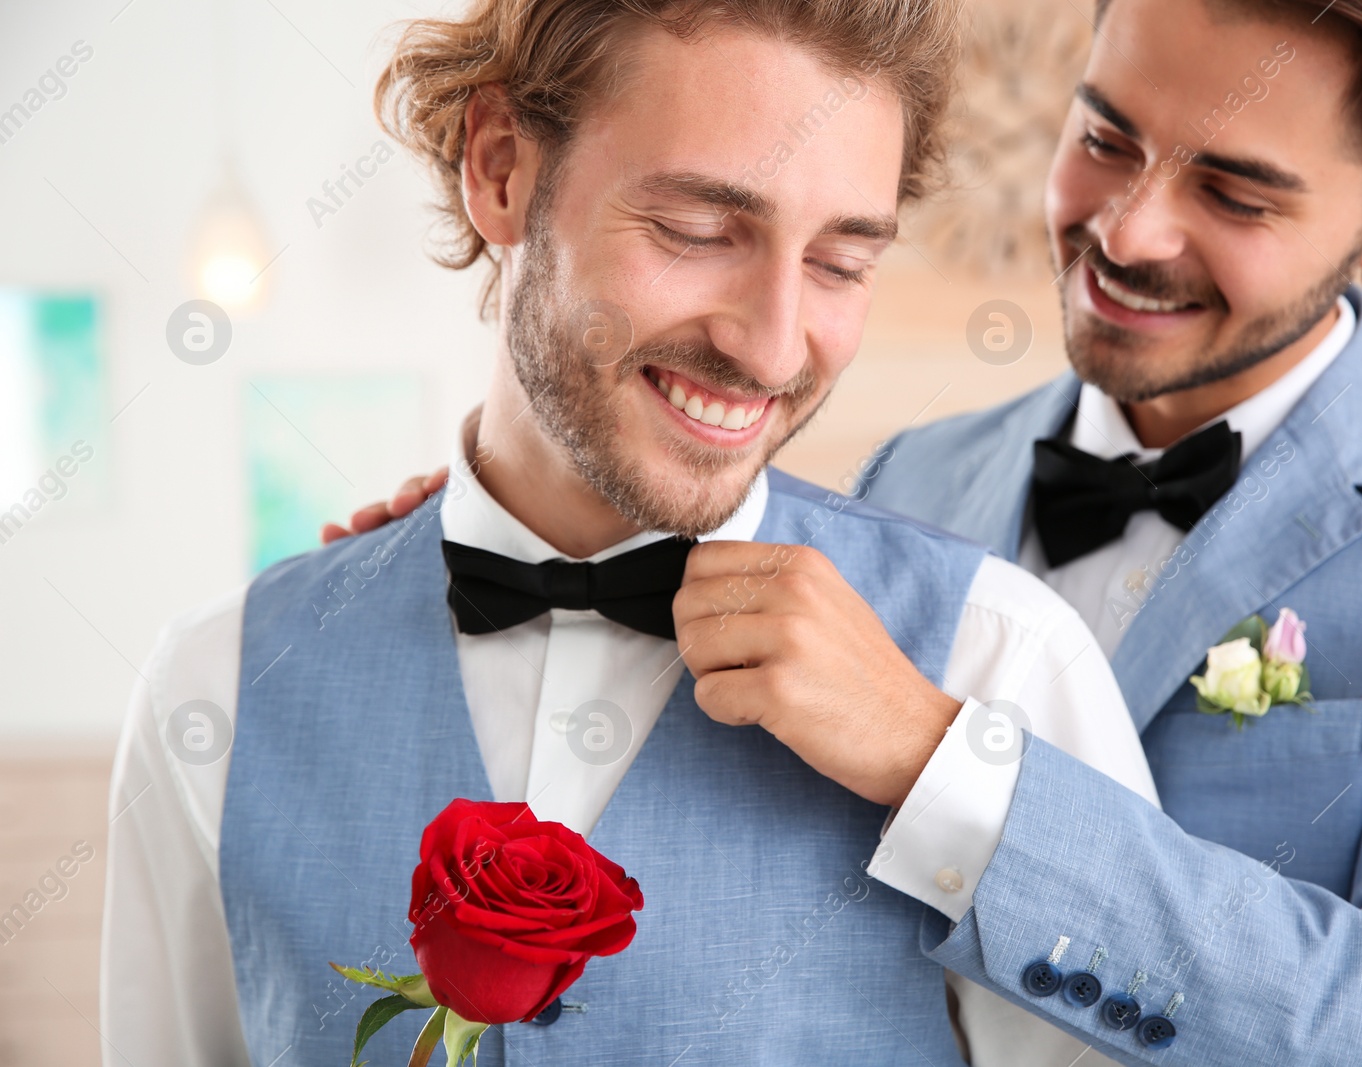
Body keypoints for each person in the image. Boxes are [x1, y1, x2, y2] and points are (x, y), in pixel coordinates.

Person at [355, 0, 1362, 1062]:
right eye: (1106, 139)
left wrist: (941, 760)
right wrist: (500, 525)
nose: (1127, 231)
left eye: (1233, 192)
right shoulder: (917, 469)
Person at [100, 1, 1159, 1065]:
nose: (772, 343)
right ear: (502, 168)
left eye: (841, 262)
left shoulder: (997, 659)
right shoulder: (217, 685)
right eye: (698, 231)